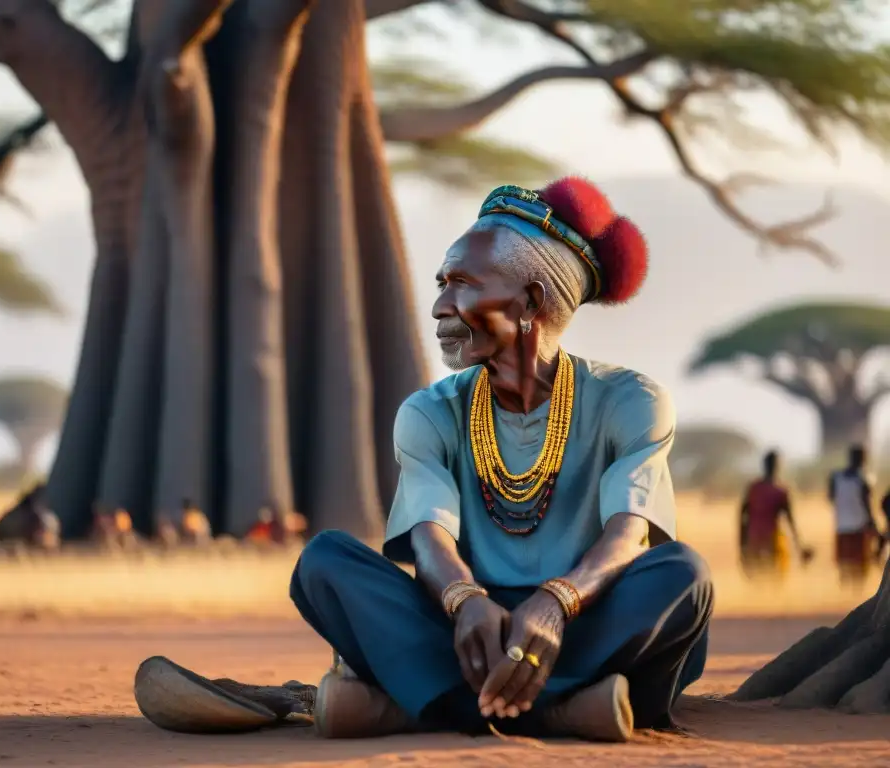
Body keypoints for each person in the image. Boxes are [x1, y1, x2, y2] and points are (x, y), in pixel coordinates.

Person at [284, 178, 713, 742]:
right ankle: (567, 710)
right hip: (464, 623)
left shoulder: (631, 401)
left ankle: (410, 708)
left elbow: (627, 535)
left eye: (461, 283)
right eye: (441, 283)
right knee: (325, 562)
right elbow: (430, 541)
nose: (439, 305)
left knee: (683, 575)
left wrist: (556, 604)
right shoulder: (429, 411)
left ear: (530, 302)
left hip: (586, 616)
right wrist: (465, 603)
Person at [739, 450, 812, 579]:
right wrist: (799, 546)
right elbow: (790, 521)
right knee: (773, 576)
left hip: (756, 538)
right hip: (771, 540)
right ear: (778, 466)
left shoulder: (754, 488)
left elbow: (742, 517)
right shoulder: (780, 491)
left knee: (758, 576)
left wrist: (742, 544)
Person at [829, 445, 883, 585]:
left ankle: (844, 597)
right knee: (860, 567)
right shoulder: (864, 479)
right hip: (860, 528)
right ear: (863, 459)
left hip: (841, 527)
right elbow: (867, 505)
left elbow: (831, 498)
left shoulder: (836, 477)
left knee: (845, 566)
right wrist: (874, 524)